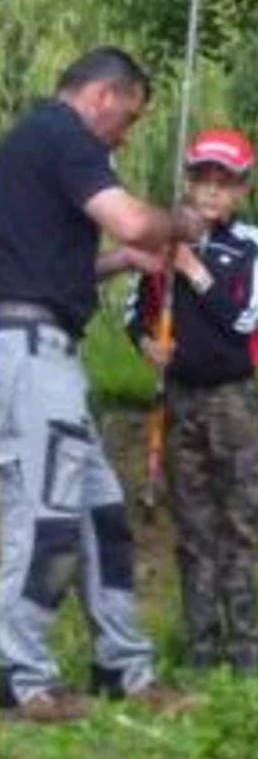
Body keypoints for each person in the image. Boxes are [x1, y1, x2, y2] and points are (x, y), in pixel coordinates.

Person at [0, 45, 204, 722]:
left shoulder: (33, 146)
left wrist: (120, 262)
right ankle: (22, 680)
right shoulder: (63, 136)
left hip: (39, 345)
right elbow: (133, 218)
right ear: (101, 95)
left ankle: (122, 667)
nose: (124, 137)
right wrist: (181, 223)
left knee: (101, 514)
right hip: (25, 352)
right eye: (128, 119)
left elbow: (40, 265)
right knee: (46, 515)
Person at [124, 127, 258, 672]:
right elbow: (135, 311)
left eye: (224, 182)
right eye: (202, 178)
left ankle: (246, 646)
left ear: (242, 190)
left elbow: (243, 321)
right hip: (180, 398)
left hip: (234, 401)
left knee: (241, 522)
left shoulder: (249, 247)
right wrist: (145, 344)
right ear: (187, 181)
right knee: (193, 525)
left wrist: (195, 272)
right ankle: (200, 644)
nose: (211, 190)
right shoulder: (166, 241)